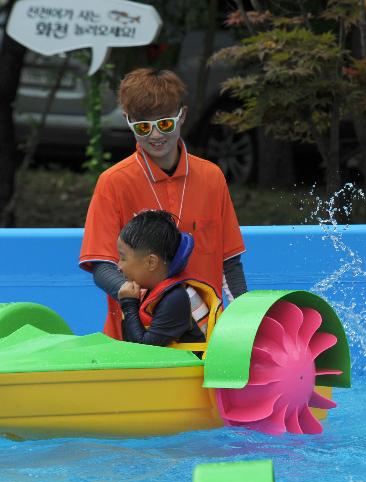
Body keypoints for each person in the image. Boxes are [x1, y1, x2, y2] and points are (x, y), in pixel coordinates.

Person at [79, 68, 247, 340]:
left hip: (206, 340)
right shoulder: (113, 182)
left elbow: (230, 263)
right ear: (128, 120)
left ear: (182, 115)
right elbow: (101, 265)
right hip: (134, 339)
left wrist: (245, 319)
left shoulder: (211, 177)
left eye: (165, 124)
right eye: (143, 127)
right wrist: (141, 298)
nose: (156, 135)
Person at [116, 210, 221, 349]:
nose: (119, 266)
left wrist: (129, 305)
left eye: (123, 258)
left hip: (194, 370)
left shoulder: (176, 297)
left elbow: (143, 350)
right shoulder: (152, 291)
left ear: (151, 262)